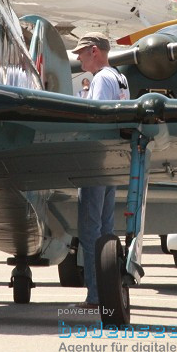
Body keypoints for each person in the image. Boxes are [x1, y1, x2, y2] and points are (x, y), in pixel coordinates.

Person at [71, 33, 129, 308]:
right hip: (114, 162)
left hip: (97, 161)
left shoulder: (101, 79)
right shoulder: (118, 77)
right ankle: (109, 292)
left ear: (94, 51)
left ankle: (96, 296)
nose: (78, 56)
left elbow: (98, 117)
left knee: (90, 230)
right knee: (106, 229)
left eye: (81, 52)